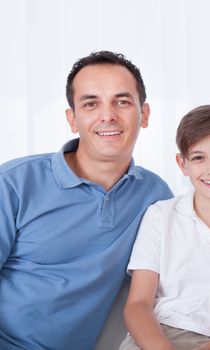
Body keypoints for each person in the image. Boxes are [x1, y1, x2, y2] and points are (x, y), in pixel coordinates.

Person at [0, 51, 173, 350]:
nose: (108, 115)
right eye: (91, 103)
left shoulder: (155, 196)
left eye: (122, 101)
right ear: (73, 118)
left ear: (144, 115)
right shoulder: (14, 182)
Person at [119, 104, 210, 350]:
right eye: (198, 158)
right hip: (158, 335)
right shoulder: (160, 216)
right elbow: (138, 304)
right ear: (182, 164)